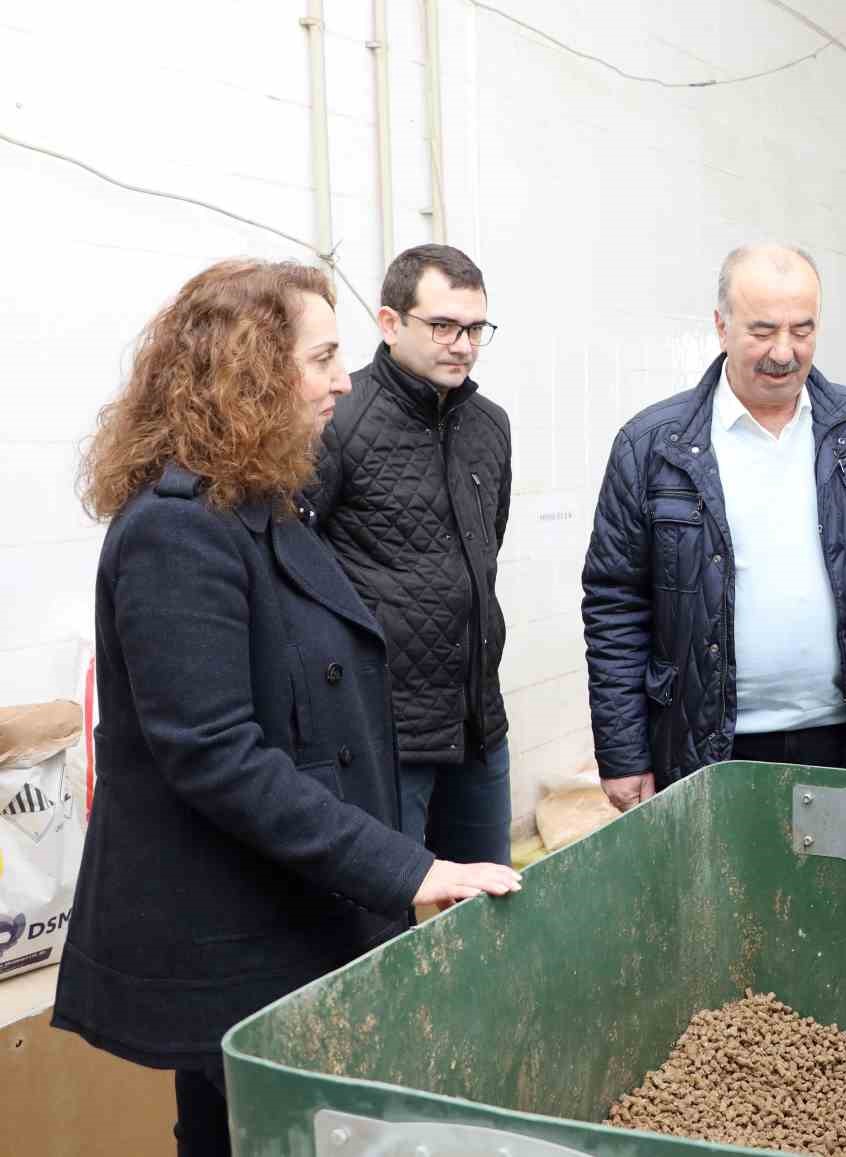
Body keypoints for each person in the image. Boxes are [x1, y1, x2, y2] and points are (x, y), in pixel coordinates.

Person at [55, 260, 520, 1156]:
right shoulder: (175, 529)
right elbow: (218, 754)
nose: (344, 381)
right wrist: (407, 867)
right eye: (323, 359)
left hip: (287, 902)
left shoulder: (259, 505)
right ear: (250, 373)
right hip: (232, 927)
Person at [582, 244, 846, 810]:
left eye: (802, 329)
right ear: (720, 326)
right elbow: (616, 605)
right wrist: (623, 752)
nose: (784, 352)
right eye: (763, 331)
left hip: (845, 736)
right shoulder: (652, 446)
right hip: (707, 744)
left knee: (837, 897)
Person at [311, 245, 514, 866]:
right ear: (391, 322)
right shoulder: (338, 420)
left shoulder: (491, 424)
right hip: (384, 733)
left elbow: (485, 554)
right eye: (444, 326)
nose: (463, 344)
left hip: (478, 723)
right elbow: (298, 565)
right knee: (385, 920)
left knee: (487, 908)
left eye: (475, 328)